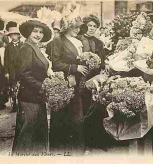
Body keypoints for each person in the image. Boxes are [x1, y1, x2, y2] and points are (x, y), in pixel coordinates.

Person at [12, 19, 53, 153]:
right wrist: (42, 86)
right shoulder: (26, 48)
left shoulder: (34, 47)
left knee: (36, 134)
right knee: (27, 136)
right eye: (35, 31)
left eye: (41, 32)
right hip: (29, 98)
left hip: (37, 97)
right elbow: (23, 74)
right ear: (28, 32)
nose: (38, 34)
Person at [49, 16, 88, 154]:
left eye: (79, 27)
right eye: (75, 27)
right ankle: (59, 150)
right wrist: (73, 69)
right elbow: (56, 63)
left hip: (77, 83)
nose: (78, 30)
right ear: (68, 27)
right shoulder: (58, 40)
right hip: (64, 83)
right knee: (62, 117)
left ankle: (76, 150)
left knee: (76, 117)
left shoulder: (78, 41)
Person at [76, 14, 111, 153]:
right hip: (81, 77)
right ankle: (84, 142)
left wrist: (100, 71)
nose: (91, 28)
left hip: (95, 77)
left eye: (94, 26)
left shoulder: (99, 42)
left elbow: (102, 61)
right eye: (89, 26)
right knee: (83, 108)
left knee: (97, 107)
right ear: (85, 26)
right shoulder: (78, 40)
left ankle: (97, 140)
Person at [4, 22, 23, 113]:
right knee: (12, 88)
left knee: (21, 87)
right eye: (11, 35)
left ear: (19, 35)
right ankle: (14, 104)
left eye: (15, 34)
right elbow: (6, 60)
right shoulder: (8, 47)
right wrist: (6, 72)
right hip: (12, 71)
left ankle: (21, 105)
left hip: (21, 70)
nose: (13, 36)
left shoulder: (22, 46)